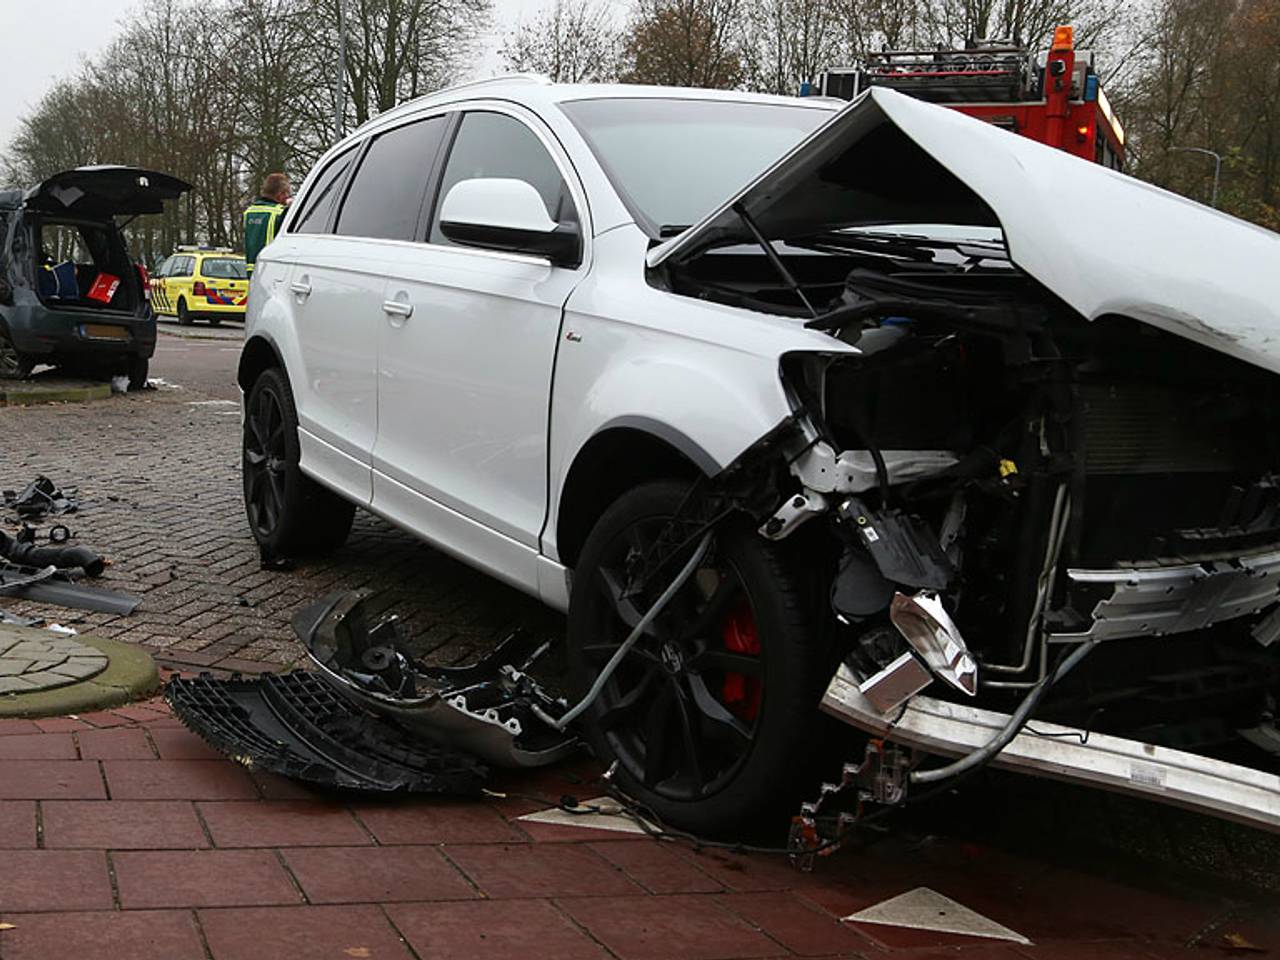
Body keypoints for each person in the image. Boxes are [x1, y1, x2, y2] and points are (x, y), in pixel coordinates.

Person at [243, 173, 292, 275]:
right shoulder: (281, 212)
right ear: (281, 195)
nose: (288, 197)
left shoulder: (249, 212)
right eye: (287, 194)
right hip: (272, 271)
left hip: (252, 271)